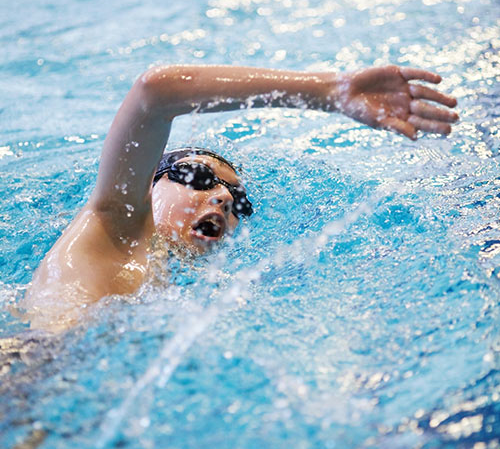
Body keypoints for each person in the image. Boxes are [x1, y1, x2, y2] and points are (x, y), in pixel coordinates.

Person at [25, 62, 458, 331]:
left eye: (238, 201)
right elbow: (154, 92)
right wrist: (329, 92)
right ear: (148, 183)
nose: (222, 200)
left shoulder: (164, 290)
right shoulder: (114, 223)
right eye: (196, 176)